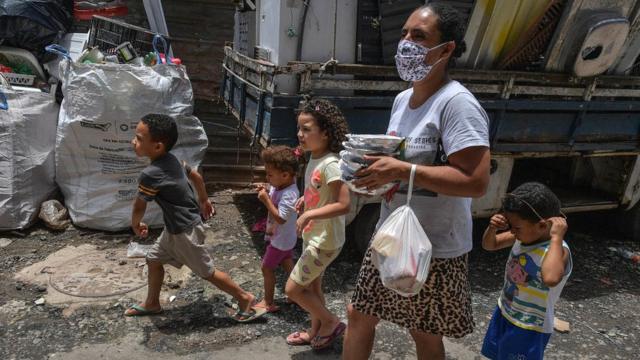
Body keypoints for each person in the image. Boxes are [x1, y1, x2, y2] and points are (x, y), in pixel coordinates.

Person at [343, 4, 491, 360]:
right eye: (405, 33)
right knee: (358, 314)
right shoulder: (402, 100)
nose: (407, 43)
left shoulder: (457, 104)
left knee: (423, 332)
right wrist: (374, 177)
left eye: (420, 36)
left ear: (447, 48)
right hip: (391, 235)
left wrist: (401, 171)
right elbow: (400, 161)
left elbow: (475, 181)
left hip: (434, 246)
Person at [124, 113, 266, 323]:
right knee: (153, 260)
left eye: (138, 138)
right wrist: (204, 200)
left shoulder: (151, 173)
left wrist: (136, 223)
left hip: (184, 232)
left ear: (157, 147)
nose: (133, 142)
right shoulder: (172, 160)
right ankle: (152, 303)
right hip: (176, 228)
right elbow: (196, 176)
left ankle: (245, 298)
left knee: (207, 272)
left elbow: (139, 204)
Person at [285, 99, 351, 350]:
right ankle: (316, 333)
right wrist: (307, 198)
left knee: (292, 289)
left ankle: (331, 322)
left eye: (307, 129)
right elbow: (322, 192)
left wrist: (309, 215)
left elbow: (344, 203)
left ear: (325, 133)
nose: (300, 134)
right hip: (316, 237)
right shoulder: (316, 157)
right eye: (299, 129)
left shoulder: (332, 164)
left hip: (325, 240)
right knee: (312, 287)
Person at [481, 182, 572, 360]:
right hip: (505, 312)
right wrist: (492, 228)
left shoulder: (559, 250)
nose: (512, 231)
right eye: (511, 226)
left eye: (517, 227)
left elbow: (551, 278)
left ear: (542, 226)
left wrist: (556, 238)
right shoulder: (522, 237)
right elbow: (489, 245)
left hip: (530, 326)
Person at [254, 145, 300, 313]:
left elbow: (281, 218)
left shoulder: (290, 194)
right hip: (284, 238)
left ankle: (268, 301)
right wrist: (266, 188)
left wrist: (265, 200)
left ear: (285, 175)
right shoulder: (280, 184)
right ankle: (299, 292)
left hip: (281, 239)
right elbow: (273, 189)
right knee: (287, 263)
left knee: (266, 268)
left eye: (270, 175)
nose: (268, 177)